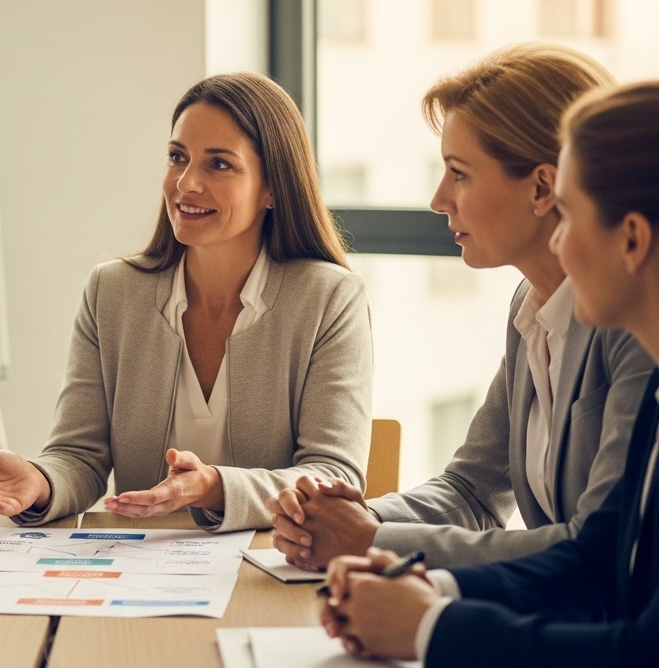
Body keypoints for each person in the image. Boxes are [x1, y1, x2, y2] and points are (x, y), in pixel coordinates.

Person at [320, 81, 659, 668]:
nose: (560, 242)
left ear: (633, 239)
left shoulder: (635, 354)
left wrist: (429, 627)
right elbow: (596, 559)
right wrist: (429, 587)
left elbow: (644, 667)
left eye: (573, 214)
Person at [269, 44, 653, 569]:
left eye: (459, 172)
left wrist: (369, 541)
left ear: (543, 188)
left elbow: (598, 550)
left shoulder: (633, 322)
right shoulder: (530, 308)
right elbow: (474, 491)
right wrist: (357, 520)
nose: (438, 199)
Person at [0, 72, 372, 531]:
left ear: (272, 188)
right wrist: (40, 480)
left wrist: (215, 488)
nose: (186, 183)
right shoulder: (112, 293)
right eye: (177, 157)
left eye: (219, 164)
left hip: (267, 564)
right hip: (139, 569)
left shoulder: (329, 299)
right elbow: (78, 457)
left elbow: (333, 476)